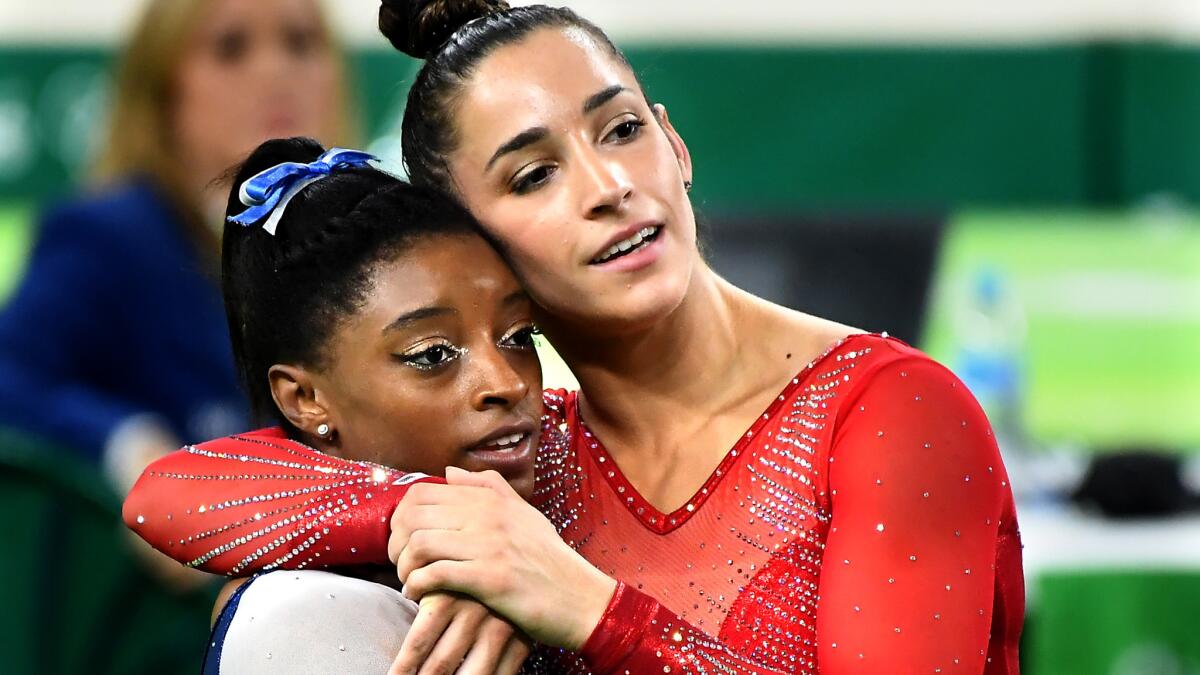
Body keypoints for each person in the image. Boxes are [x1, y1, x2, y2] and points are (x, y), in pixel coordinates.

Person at [126, 2, 1024, 673]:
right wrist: (431, 516)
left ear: (673, 145)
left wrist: (589, 609)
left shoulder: (889, 411)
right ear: (476, 246)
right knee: (287, 612)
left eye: (622, 131)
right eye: (533, 175)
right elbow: (171, 492)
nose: (606, 186)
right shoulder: (521, 452)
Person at [159, 137, 538, 673]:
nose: (506, 381)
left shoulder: (563, 457)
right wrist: (429, 519)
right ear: (305, 399)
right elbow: (166, 493)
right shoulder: (303, 620)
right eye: (432, 354)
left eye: (521, 336)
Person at [0, 0, 350, 495]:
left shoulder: (359, 246)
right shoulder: (108, 238)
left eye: (300, 42)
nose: (276, 71)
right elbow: (9, 379)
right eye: (231, 47)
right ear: (161, 89)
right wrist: (123, 441)